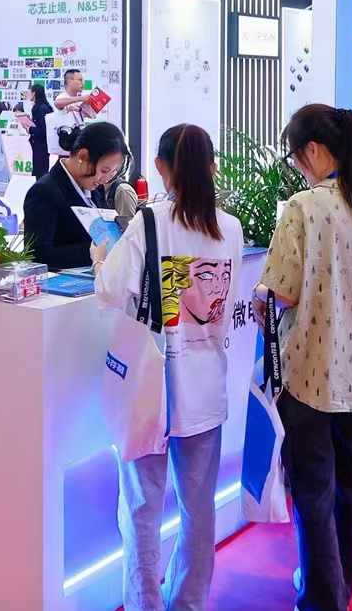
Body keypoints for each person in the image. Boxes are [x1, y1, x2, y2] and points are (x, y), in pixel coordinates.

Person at [259, 105, 352, 611]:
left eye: (295, 156)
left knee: (313, 493)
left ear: (315, 150)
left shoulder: (304, 208)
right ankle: (337, 591)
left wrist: (260, 296)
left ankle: (324, 599)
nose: (296, 167)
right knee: (351, 489)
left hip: (310, 373)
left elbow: (280, 290)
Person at [95, 124, 243, 611]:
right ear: (211, 166)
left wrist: (100, 257)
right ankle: (189, 603)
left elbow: (111, 290)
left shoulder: (152, 222)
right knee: (198, 510)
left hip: (153, 391)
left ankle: (145, 604)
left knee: (142, 507)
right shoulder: (229, 228)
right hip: (205, 385)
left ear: (161, 167)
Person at [22, 121, 128, 271]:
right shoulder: (44, 192)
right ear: (82, 156)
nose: (105, 179)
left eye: (112, 173)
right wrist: (95, 252)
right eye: (104, 171)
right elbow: (37, 256)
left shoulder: (95, 188)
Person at [26, 83, 53, 179]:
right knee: (40, 170)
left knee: (40, 172)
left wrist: (30, 128)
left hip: (41, 145)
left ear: (34, 93)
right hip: (41, 145)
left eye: (30, 92)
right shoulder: (43, 107)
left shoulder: (41, 108)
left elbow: (42, 130)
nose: (28, 94)